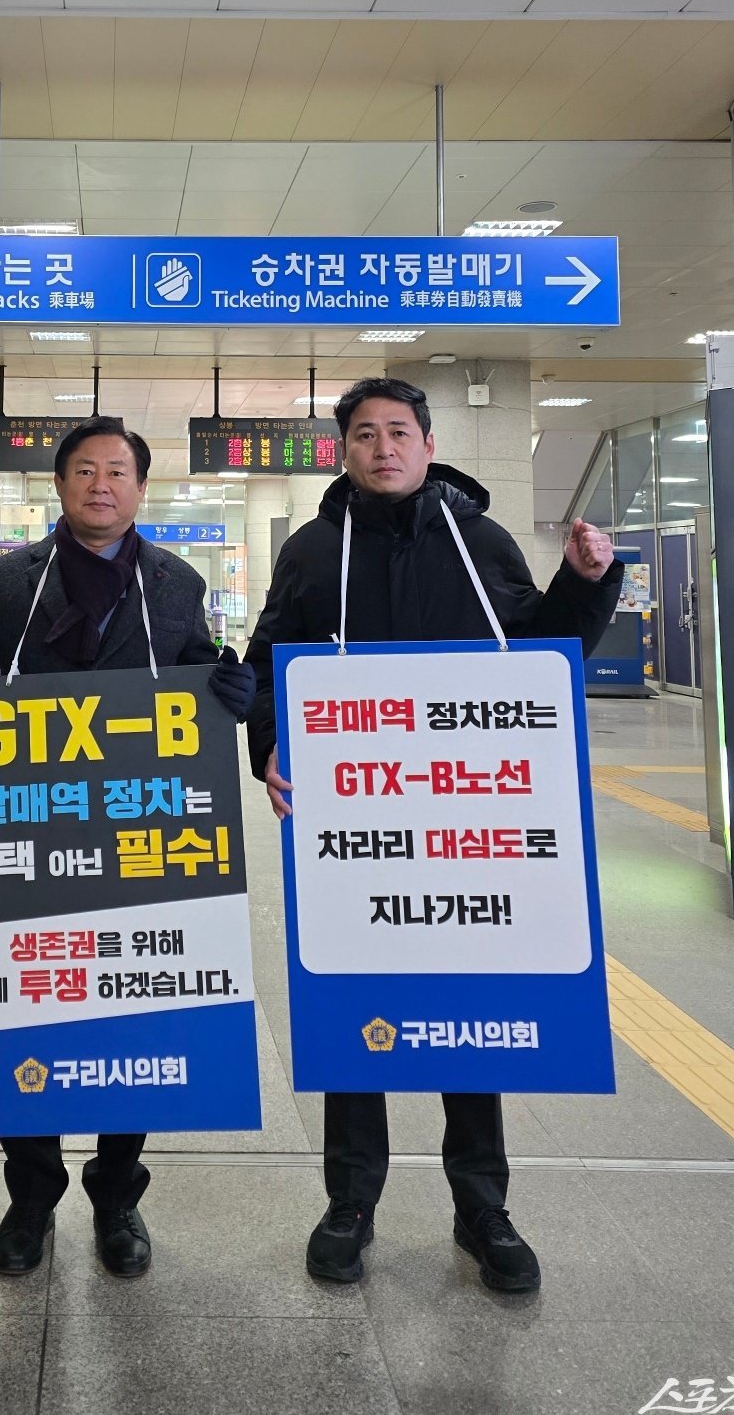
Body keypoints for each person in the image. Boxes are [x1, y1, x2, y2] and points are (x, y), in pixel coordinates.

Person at [244, 377, 621, 1295]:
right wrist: (267, 752)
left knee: (469, 1017)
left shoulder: (476, 536)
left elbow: (539, 645)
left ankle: (482, 1205)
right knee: (353, 1012)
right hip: (355, 829)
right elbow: (265, 664)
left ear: (426, 440)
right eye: (365, 434)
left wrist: (586, 578)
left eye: (399, 432)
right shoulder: (311, 550)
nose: (383, 448)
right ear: (344, 449)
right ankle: (351, 1202)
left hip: (460, 827)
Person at [0, 415, 256, 1280]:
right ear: (60, 487)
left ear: (141, 488)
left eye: (118, 471)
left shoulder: (176, 581)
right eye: (84, 471)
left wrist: (230, 684)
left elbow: (197, 671)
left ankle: (116, 1191)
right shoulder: (13, 576)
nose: (102, 484)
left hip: (138, 830)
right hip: (33, 821)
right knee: (26, 1001)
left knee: (130, 1000)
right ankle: (30, 1194)